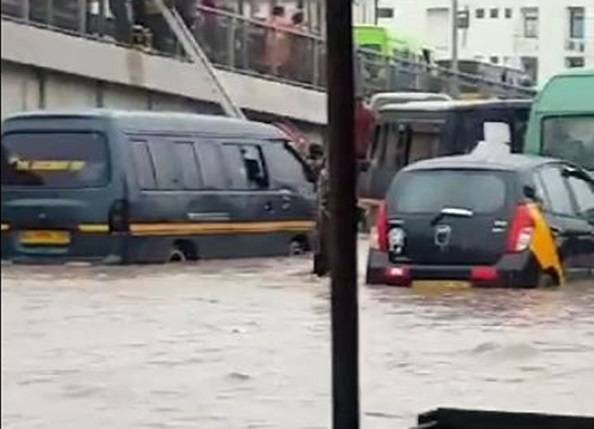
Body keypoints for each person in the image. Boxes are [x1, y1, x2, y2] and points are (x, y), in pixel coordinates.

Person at [264, 6, 290, 76]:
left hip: (271, 39)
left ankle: (273, 71)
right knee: (277, 57)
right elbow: (289, 24)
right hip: (278, 40)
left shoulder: (270, 19)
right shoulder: (281, 20)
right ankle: (275, 72)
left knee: (272, 56)